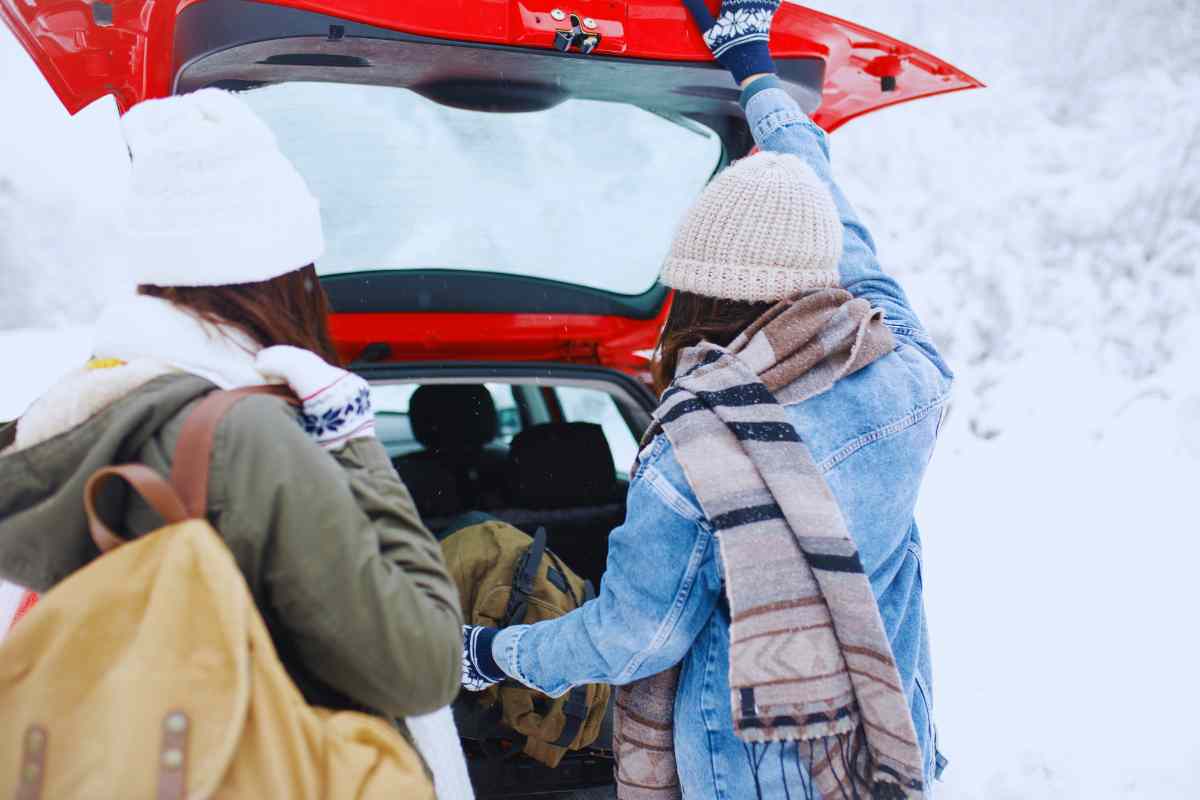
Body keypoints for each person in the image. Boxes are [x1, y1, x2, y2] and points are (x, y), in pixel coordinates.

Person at [460, 2, 953, 798]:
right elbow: (837, 222)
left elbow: (632, 640)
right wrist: (755, 68)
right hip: (882, 746)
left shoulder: (698, 450)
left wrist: (489, 654)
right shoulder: (906, 375)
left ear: (700, 293)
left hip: (748, 772)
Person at [0, 90, 470, 798]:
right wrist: (356, 446)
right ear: (282, 274)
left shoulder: (72, 417)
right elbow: (423, 662)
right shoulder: (246, 439)